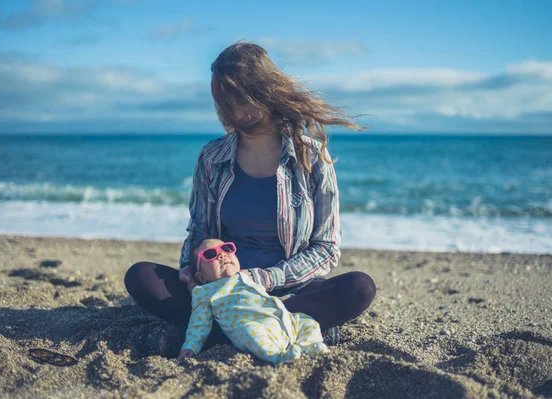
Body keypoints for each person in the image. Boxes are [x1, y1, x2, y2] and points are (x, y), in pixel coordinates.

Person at [124, 41, 377, 357]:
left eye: (242, 99)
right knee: (141, 276)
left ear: (268, 89)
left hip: (289, 291)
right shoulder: (212, 158)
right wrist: (192, 268)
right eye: (226, 102)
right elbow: (200, 231)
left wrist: (263, 278)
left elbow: (325, 249)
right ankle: (286, 328)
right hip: (223, 295)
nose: (235, 112)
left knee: (359, 287)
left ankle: (214, 332)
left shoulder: (312, 157)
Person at [178, 238, 328, 364]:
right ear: (201, 277)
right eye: (210, 254)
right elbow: (199, 323)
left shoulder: (245, 277)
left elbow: (263, 297)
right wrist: (190, 346)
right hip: (251, 324)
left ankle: (308, 346)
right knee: (251, 334)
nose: (222, 255)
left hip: (281, 318)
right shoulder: (205, 292)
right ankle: (279, 357)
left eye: (226, 248)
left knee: (307, 322)